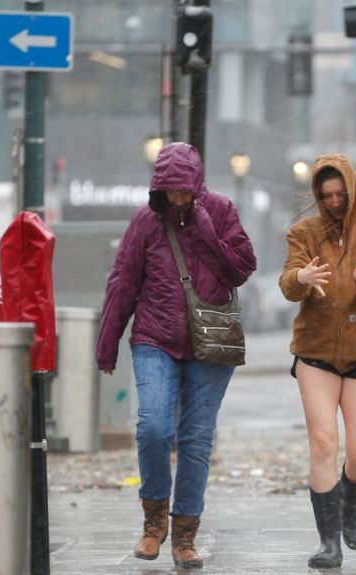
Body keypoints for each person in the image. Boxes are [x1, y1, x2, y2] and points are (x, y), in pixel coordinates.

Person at [96, 142, 256, 569]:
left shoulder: (219, 211)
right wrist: (107, 344)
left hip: (210, 341)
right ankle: (153, 523)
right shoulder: (146, 222)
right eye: (171, 191)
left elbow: (242, 267)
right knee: (153, 426)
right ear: (159, 188)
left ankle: (185, 537)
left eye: (185, 191)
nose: (179, 199)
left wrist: (205, 230)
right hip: (155, 337)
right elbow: (122, 283)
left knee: (195, 440)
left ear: (198, 185)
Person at [278, 154, 356, 568]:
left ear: (351, 190)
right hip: (315, 352)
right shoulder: (303, 232)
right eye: (325, 195)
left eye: (339, 194)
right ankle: (329, 542)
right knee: (324, 443)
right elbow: (287, 282)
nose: (332, 202)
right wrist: (301, 279)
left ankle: (350, 501)